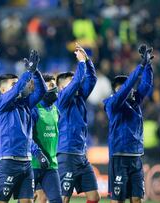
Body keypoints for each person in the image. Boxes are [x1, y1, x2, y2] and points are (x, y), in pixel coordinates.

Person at [0, 50, 49, 203]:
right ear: (3, 90)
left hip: (26, 162)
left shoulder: (25, 104)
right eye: (14, 83)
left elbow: (42, 91)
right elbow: (18, 89)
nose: (19, 86)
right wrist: (28, 72)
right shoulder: (0, 104)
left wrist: (35, 72)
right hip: (8, 162)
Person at [103, 44, 153, 203]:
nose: (131, 91)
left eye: (131, 89)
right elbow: (125, 91)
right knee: (118, 200)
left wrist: (147, 66)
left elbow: (146, 85)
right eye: (125, 88)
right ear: (115, 91)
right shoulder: (112, 103)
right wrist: (140, 67)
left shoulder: (135, 102)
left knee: (137, 199)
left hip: (136, 156)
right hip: (119, 157)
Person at [55, 43, 100, 203]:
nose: (75, 82)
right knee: (63, 198)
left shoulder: (79, 97)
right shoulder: (61, 100)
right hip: (66, 154)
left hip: (81, 154)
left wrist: (87, 61)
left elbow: (92, 79)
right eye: (70, 81)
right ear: (61, 88)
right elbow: (76, 82)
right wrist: (80, 63)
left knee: (94, 197)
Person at [31, 74, 62, 203]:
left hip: (51, 165)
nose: (55, 89)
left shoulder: (56, 111)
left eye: (55, 86)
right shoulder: (34, 109)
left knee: (56, 200)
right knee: (27, 200)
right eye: (50, 86)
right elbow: (27, 137)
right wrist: (38, 153)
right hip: (33, 165)